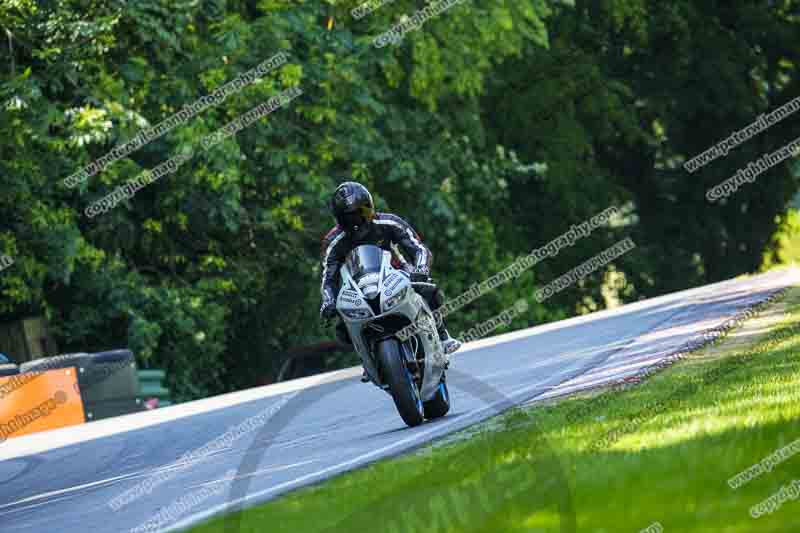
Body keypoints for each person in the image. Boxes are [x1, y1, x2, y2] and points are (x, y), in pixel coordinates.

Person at [319, 182, 461, 380]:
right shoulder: (333, 241)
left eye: (360, 213)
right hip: (358, 287)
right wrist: (328, 300)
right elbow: (328, 276)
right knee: (342, 326)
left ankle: (442, 334)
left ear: (370, 207)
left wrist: (420, 269)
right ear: (339, 220)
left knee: (427, 289)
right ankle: (369, 359)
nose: (356, 221)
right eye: (348, 217)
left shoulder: (389, 222)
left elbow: (418, 248)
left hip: (396, 274)